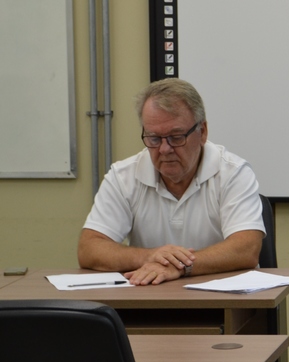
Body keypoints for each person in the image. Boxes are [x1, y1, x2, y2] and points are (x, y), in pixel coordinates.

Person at [77, 78, 264, 285]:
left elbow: (246, 249)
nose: (164, 149)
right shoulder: (123, 176)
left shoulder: (233, 172)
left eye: (176, 137)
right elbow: (89, 249)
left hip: (226, 304)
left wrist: (180, 266)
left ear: (202, 132)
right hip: (150, 301)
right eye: (154, 138)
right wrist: (150, 257)